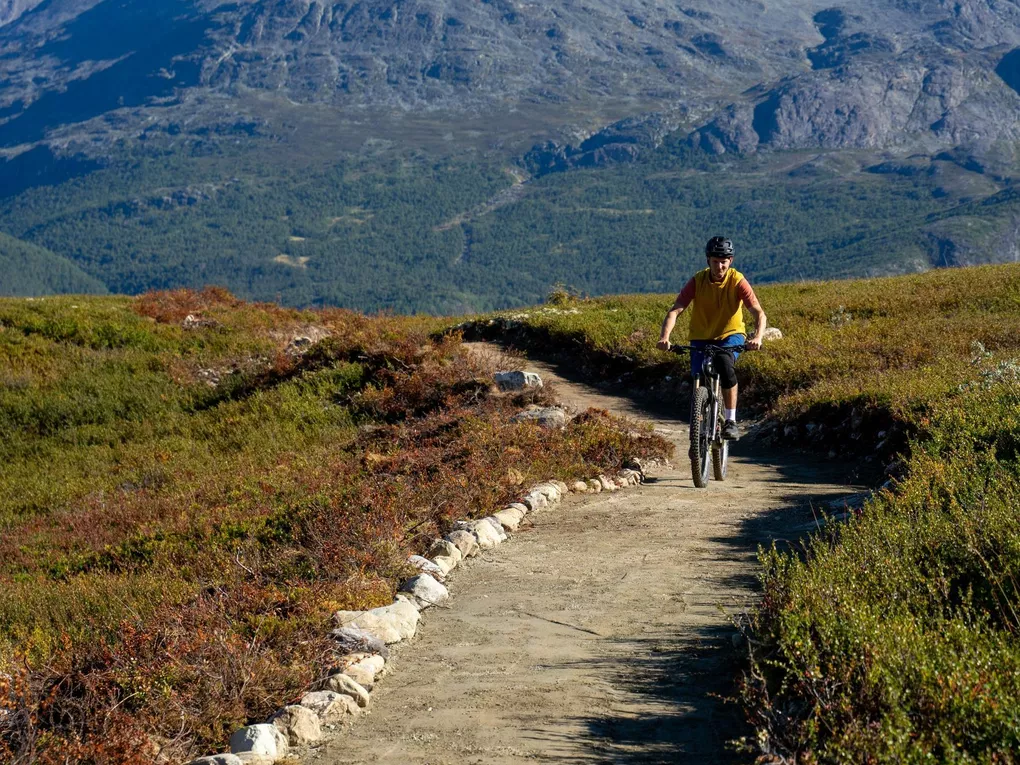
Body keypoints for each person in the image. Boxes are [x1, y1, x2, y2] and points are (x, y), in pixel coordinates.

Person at [656, 236, 767, 440]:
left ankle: (731, 421)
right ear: (708, 261)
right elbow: (675, 311)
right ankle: (700, 428)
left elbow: (759, 313)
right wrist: (665, 338)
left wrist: (757, 337)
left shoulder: (737, 281)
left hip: (730, 335)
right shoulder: (697, 281)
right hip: (701, 336)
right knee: (699, 375)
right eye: (715, 261)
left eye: (724, 261)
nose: (720, 266)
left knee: (725, 366)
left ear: (730, 261)